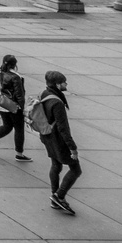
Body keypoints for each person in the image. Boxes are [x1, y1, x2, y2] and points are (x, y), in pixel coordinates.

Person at [35, 69, 79, 214]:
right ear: (58, 85)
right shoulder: (57, 103)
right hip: (58, 140)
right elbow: (63, 128)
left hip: (47, 136)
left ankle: (54, 195)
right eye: (64, 82)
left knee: (56, 164)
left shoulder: (44, 93)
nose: (66, 84)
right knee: (75, 169)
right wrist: (72, 148)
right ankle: (59, 196)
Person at [0, 53, 31, 161]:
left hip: (0, 102)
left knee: (7, 125)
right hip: (12, 105)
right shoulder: (16, 77)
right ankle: (19, 154)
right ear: (14, 65)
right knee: (19, 128)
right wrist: (22, 108)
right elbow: (19, 95)